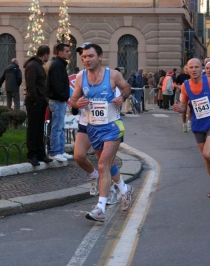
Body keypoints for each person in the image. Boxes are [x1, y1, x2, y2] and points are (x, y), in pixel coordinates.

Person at [71, 43, 133, 222]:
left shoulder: (112, 75)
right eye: (83, 57)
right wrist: (77, 103)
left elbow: (126, 87)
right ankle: (124, 189)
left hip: (112, 127)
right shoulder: (81, 77)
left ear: (100, 57)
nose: (86, 60)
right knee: (107, 164)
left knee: (102, 165)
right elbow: (73, 99)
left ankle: (100, 207)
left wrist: (122, 97)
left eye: (90, 56)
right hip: (93, 128)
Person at [173, 58, 210, 198]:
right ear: (187, 69)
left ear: (201, 68)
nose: (194, 70)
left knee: (207, 153)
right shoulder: (185, 86)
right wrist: (179, 109)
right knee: (207, 159)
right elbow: (184, 107)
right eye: (191, 67)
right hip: (197, 125)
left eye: (196, 67)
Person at [24, 44, 52, 166]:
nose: (48, 58)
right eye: (48, 55)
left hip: (40, 100)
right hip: (34, 102)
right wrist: (35, 100)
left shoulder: (38, 65)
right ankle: (32, 155)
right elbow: (31, 85)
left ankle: (40, 154)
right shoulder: (33, 66)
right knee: (33, 129)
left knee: (40, 129)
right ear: (45, 54)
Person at [46, 43, 73, 162]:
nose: (69, 53)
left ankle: (60, 150)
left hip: (60, 100)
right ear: (60, 52)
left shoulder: (60, 64)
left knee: (61, 126)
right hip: (57, 100)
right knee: (57, 127)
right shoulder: (57, 65)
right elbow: (56, 84)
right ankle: (54, 151)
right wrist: (63, 97)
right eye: (67, 51)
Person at [175, 66, 191, 132]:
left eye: (188, 69)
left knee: (190, 108)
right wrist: (179, 86)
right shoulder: (180, 76)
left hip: (191, 94)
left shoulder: (192, 76)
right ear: (184, 69)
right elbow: (174, 84)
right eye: (185, 69)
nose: (187, 70)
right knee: (183, 110)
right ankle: (184, 124)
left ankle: (189, 122)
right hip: (183, 94)